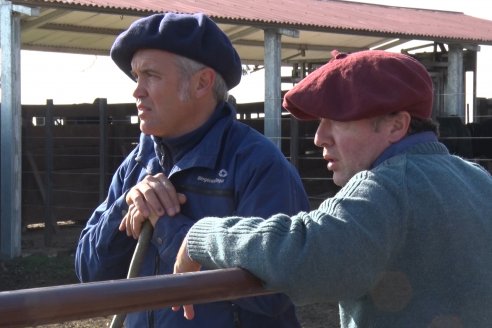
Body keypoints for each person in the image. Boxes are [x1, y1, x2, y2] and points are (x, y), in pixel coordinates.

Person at [174, 50, 492, 327]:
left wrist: (201, 235)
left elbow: (301, 253)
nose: (319, 137)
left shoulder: (385, 187)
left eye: (337, 119)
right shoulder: (478, 180)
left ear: (397, 125)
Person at [75, 12, 310, 328]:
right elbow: (89, 274)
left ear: (202, 83)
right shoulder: (135, 166)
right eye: (136, 76)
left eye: (151, 76)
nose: (137, 91)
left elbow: (275, 293)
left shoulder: (258, 166)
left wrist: (166, 225)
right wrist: (127, 206)